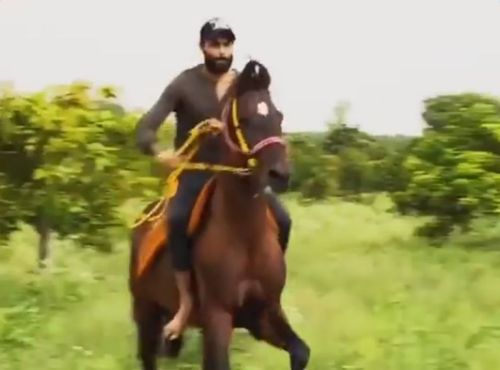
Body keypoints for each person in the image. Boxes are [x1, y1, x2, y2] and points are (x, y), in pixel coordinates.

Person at [135, 17, 292, 340]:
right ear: (203, 47)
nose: (221, 51)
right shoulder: (184, 84)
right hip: (196, 173)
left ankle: (267, 297)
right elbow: (145, 128)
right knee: (177, 219)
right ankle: (185, 305)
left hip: (238, 176)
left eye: (227, 44)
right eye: (215, 44)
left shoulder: (243, 88)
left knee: (283, 219)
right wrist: (159, 152)